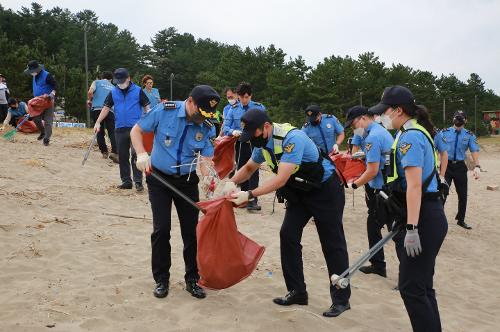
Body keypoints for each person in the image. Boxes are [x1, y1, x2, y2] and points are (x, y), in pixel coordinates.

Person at [224, 109, 351, 317]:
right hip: (299, 193)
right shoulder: (262, 143)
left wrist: (249, 194)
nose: (251, 140)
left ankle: (341, 299)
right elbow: (248, 168)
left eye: (253, 134)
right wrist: (231, 181)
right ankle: (297, 291)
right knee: (288, 235)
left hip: (325, 190)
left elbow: (281, 178)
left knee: (332, 243)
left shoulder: (292, 138)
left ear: (266, 127)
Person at [130, 85, 220, 300]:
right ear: (190, 102)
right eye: (199, 112)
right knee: (162, 230)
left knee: (191, 232)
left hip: (187, 181)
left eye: (206, 115)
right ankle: (162, 279)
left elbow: (206, 159)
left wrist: (210, 179)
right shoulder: (165, 110)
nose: (201, 118)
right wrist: (141, 154)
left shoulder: (207, 125)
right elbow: (136, 130)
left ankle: (192, 279)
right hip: (159, 178)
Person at [370, 86, 447, 332]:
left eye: (385, 112)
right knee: (423, 287)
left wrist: (412, 228)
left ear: (399, 110)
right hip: (426, 213)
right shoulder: (410, 132)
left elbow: (414, 186)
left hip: (424, 217)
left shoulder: (410, 137)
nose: (383, 117)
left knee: (411, 289)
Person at [343, 105, 394, 278]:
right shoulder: (374, 131)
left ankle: (406, 276)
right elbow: (358, 151)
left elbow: (372, 170)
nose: (353, 128)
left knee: (395, 231)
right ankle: (378, 265)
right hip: (379, 186)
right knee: (374, 226)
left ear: (363, 118)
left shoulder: (373, 136)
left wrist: (354, 185)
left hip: (384, 189)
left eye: (354, 124)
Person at [93, 68, 150, 192]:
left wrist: (149, 120)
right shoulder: (113, 92)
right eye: (118, 81)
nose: (120, 83)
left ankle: (138, 182)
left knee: (136, 155)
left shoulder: (138, 91)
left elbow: (147, 106)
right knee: (123, 156)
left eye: (122, 81)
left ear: (128, 78)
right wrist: (98, 122)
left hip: (136, 128)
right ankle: (126, 181)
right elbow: (106, 108)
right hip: (119, 128)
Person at [222, 82, 266, 211]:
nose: (245, 100)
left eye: (248, 97)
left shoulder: (259, 108)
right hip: (241, 143)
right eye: (242, 97)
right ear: (238, 96)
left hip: (255, 142)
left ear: (251, 96)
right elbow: (226, 128)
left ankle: (252, 200)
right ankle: (243, 197)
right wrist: (232, 132)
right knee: (242, 169)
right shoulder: (233, 109)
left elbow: (265, 124)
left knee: (254, 170)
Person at [438, 110, 481, 229]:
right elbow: (437, 148)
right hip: (446, 166)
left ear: (465, 120)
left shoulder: (469, 135)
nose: (459, 120)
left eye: (461, 118)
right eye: (457, 117)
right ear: (453, 119)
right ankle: (438, 220)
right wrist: (437, 162)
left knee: (462, 194)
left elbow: (474, 150)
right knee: (442, 192)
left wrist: (477, 166)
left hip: (460, 167)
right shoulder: (443, 133)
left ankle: (460, 219)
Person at [87, 71, 118, 162]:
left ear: (102, 77)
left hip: (97, 109)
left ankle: (104, 151)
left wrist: (90, 100)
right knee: (112, 131)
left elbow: (90, 92)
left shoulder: (97, 82)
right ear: (111, 79)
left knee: (99, 131)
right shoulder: (114, 87)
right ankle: (115, 151)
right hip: (110, 110)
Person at [24, 60, 57, 146]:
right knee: (35, 118)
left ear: (37, 69)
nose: (31, 73)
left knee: (48, 121)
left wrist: (52, 93)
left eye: (32, 71)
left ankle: (46, 138)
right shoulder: (34, 75)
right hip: (37, 101)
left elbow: (55, 84)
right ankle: (42, 131)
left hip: (47, 100)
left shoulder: (47, 75)